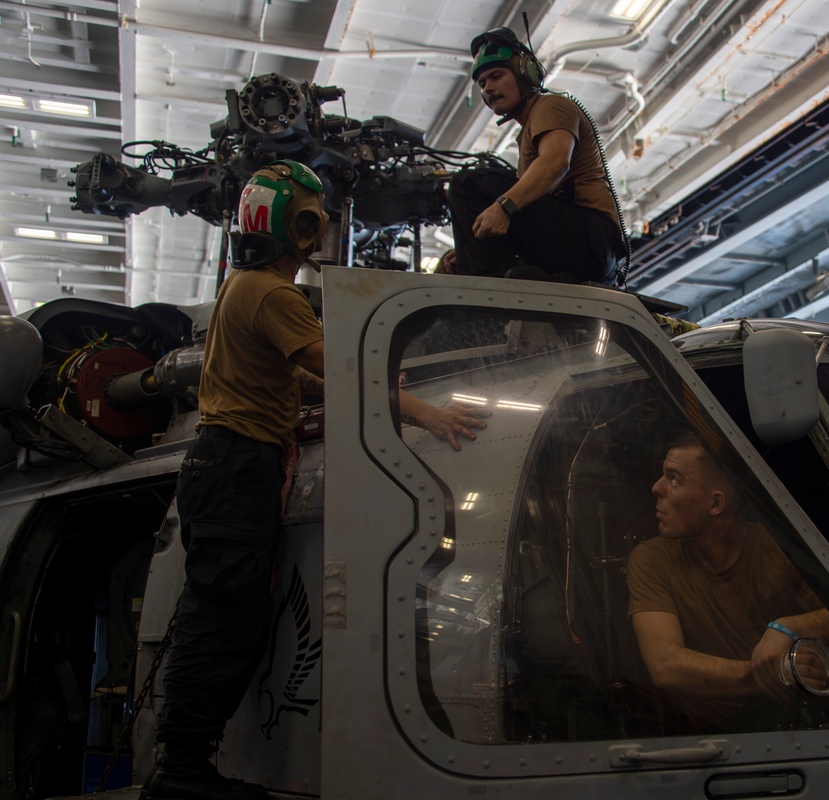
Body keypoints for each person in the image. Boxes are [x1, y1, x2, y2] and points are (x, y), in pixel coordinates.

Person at [141, 161, 490, 800]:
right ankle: (181, 772)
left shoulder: (241, 288)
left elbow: (293, 377)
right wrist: (426, 414)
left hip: (230, 465)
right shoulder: (271, 294)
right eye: (312, 220)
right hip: (237, 467)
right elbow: (340, 366)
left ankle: (186, 765)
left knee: (229, 617)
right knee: (220, 621)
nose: (317, 233)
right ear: (299, 227)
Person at [626, 431, 829, 733]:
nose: (656, 487)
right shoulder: (650, 559)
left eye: (674, 478)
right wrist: (777, 672)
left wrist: (789, 628)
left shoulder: (778, 547)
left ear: (715, 504)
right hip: (708, 737)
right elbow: (666, 666)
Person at [447, 27, 626, 284]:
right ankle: (491, 280)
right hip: (582, 253)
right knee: (459, 255)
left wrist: (503, 206)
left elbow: (555, 163)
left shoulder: (550, 105)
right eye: (482, 83)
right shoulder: (528, 134)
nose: (488, 88)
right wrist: (472, 250)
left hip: (593, 243)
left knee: (468, 184)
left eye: (496, 76)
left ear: (525, 73)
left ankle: (489, 294)